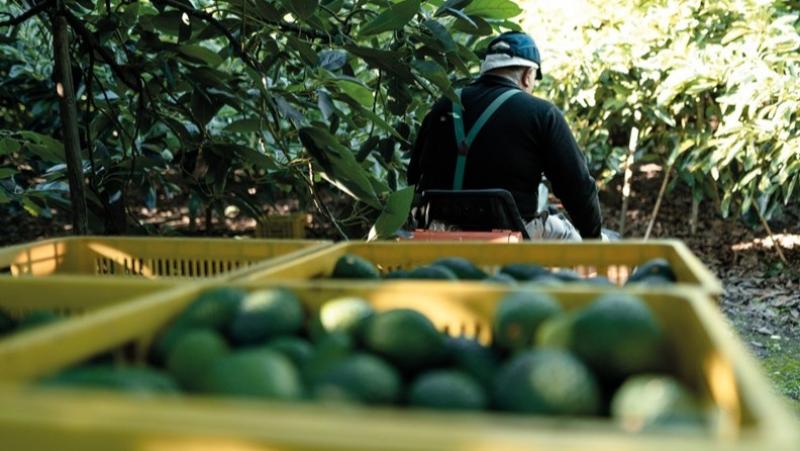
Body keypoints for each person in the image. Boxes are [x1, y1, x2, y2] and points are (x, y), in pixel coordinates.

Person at [407, 31, 603, 240]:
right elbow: (578, 187)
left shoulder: (442, 106)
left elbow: (413, 177)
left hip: (439, 233)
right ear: (528, 75)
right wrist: (593, 236)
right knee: (567, 234)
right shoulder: (541, 114)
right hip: (510, 238)